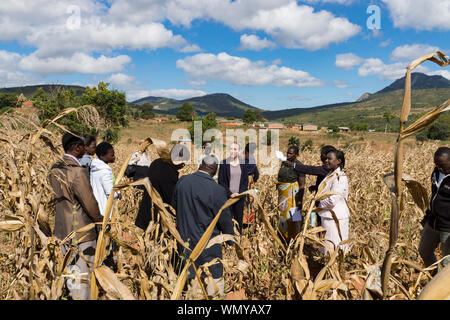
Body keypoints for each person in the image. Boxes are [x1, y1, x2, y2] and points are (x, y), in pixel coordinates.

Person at [49, 132, 103, 300]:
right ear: (78, 147)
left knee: (71, 275)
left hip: (62, 230)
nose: (86, 149)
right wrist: (101, 221)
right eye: (84, 146)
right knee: (82, 280)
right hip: (82, 232)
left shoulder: (55, 168)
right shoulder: (77, 172)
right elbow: (90, 203)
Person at [172, 154, 234, 298]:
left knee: (188, 281)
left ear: (200, 165)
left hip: (184, 243)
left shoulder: (182, 182)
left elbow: (173, 206)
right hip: (208, 246)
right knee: (213, 283)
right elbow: (225, 220)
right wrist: (231, 240)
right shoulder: (217, 190)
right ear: (215, 171)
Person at [135, 144, 189, 232]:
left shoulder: (156, 162)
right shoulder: (170, 171)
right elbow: (169, 196)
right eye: (183, 162)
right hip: (158, 216)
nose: (183, 165)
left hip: (146, 209)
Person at [419, 147, 450, 271]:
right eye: (436, 165)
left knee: (447, 264)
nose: (439, 168)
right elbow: (434, 195)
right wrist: (427, 216)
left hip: (448, 227)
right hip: (432, 222)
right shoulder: (436, 172)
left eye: (442, 165)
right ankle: (433, 281)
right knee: (424, 252)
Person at [316, 149, 350, 254]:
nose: (326, 161)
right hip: (328, 217)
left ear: (338, 161)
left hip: (335, 218)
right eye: (326, 158)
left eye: (329, 159)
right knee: (328, 248)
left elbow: (332, 200)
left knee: (334, 249)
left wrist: (318, 203)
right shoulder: (331, 174)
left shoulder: (340, 177)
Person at [277, 146, 306, 241]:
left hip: (293, 195)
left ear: (296, 155)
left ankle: (294, 238)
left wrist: (300, 201)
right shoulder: (284, 163)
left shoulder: (299, 166)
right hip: (283, 195)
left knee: (294, 215)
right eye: (287, 153)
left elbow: (302, 185)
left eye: (291, 153)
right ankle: (283, 236)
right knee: (283, 215)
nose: (288, 155)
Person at [218, 143, 249, 233]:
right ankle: (229, 242)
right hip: (228, 198)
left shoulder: (243, 164)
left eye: (235, 149)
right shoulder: (224, 163)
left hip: (239, 197)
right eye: (231, 149)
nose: (233, 151)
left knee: (239, 219)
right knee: (228, 220)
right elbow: (221, 181)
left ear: (238, 151)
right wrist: (230, 194)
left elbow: (245, 181)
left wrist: (240, 193)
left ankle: (238, 239)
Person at [90, 142, 121, 217]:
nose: (114, 157)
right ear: (102, 156)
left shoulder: (95, 167)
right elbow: (110, 193)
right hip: (104, 210)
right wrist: (118, 194)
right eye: (112, 155)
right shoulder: (104, 171)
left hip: (96, 207)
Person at [243, 142, 259, 226]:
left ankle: (244, 220)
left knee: (244, 201)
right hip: (251, 181)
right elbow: (256, 173)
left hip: (244, 180)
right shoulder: (252, 158)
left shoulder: (244, 159)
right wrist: (254, 179)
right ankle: (249, 220)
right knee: (250, 201)